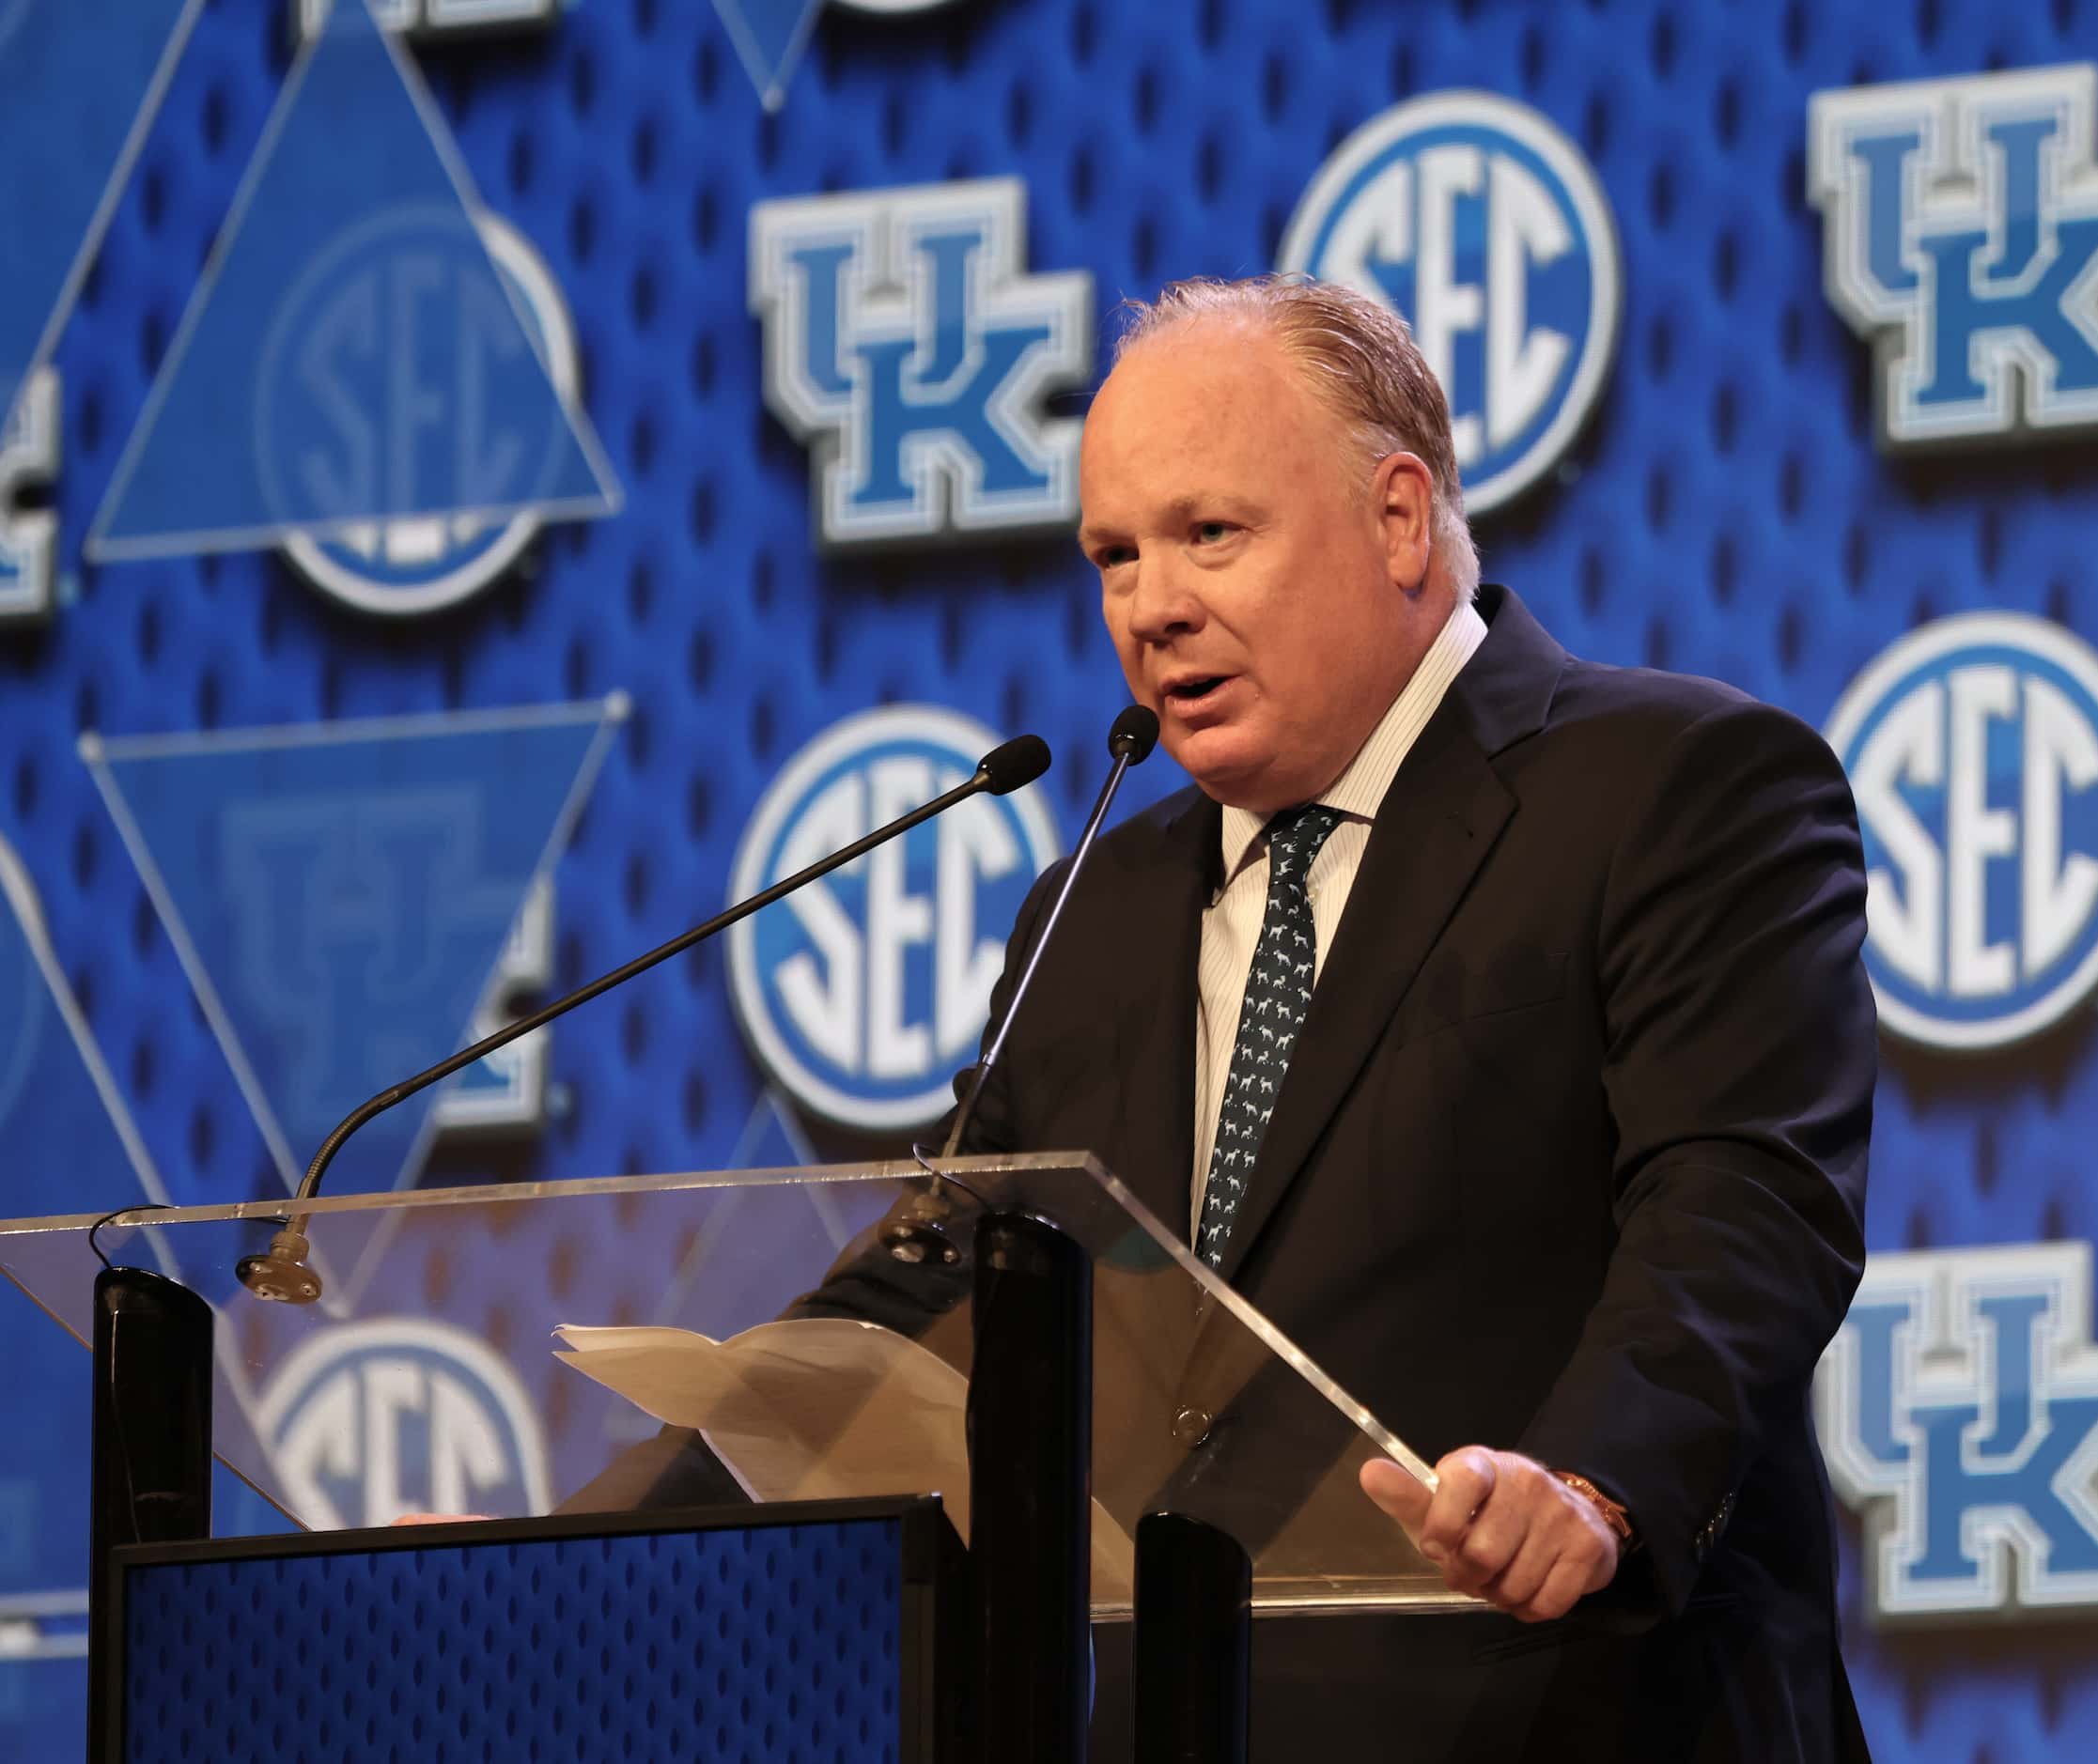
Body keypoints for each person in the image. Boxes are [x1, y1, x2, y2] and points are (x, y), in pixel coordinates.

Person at [595, 274, 1879, 1761]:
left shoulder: (1677, 788)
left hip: (1561, 1709)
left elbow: (1739, 1204)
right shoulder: (1100, 908)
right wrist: (590, 1538)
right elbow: (917, 1297)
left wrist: (1593, 1481)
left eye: (1211, 534)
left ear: (1400, 519)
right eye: (1113, 555)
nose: (1152, 605)